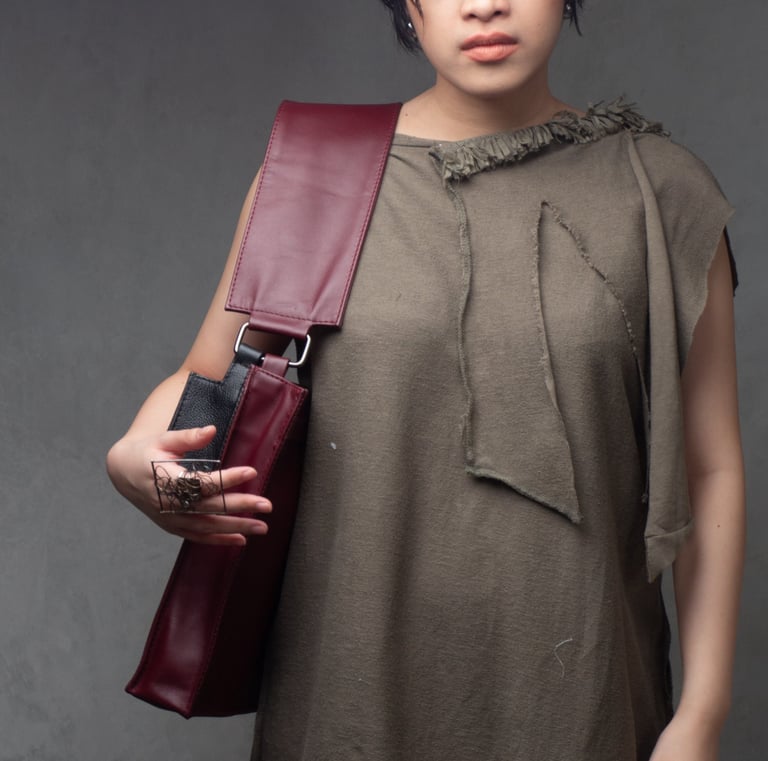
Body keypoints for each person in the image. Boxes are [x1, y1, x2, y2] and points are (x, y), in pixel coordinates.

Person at [106, 1, 745, 759]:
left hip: (583, 692)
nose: (483, 4)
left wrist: (702, 714)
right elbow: (207, 377)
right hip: (346, 690)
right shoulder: (313, 176)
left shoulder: (659, 190)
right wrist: (136, 458)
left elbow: (709, 468)